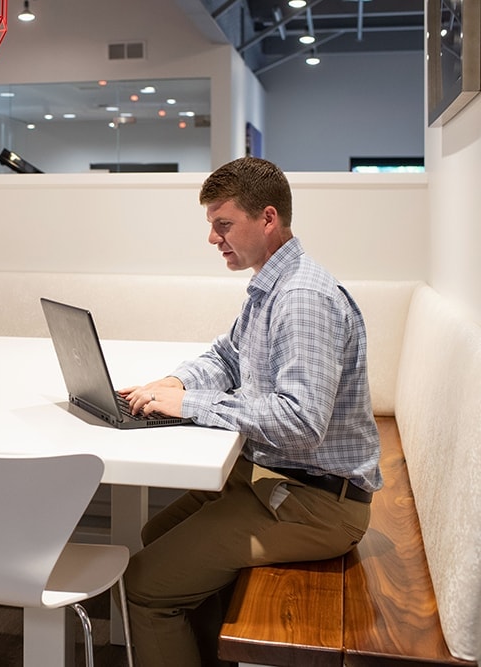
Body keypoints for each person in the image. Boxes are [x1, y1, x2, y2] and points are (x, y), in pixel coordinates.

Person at [118, 157, 382, 667]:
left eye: (224, 225)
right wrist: (174, 384)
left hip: (319, 501)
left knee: (145, 584)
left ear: (267, 218)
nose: (214, 239)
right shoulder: (271, 286)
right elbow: (225, 357)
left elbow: (301, 422)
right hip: (277, 477)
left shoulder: (303, 297)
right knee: (155, 535)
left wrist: (190, 405)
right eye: (211, 226)